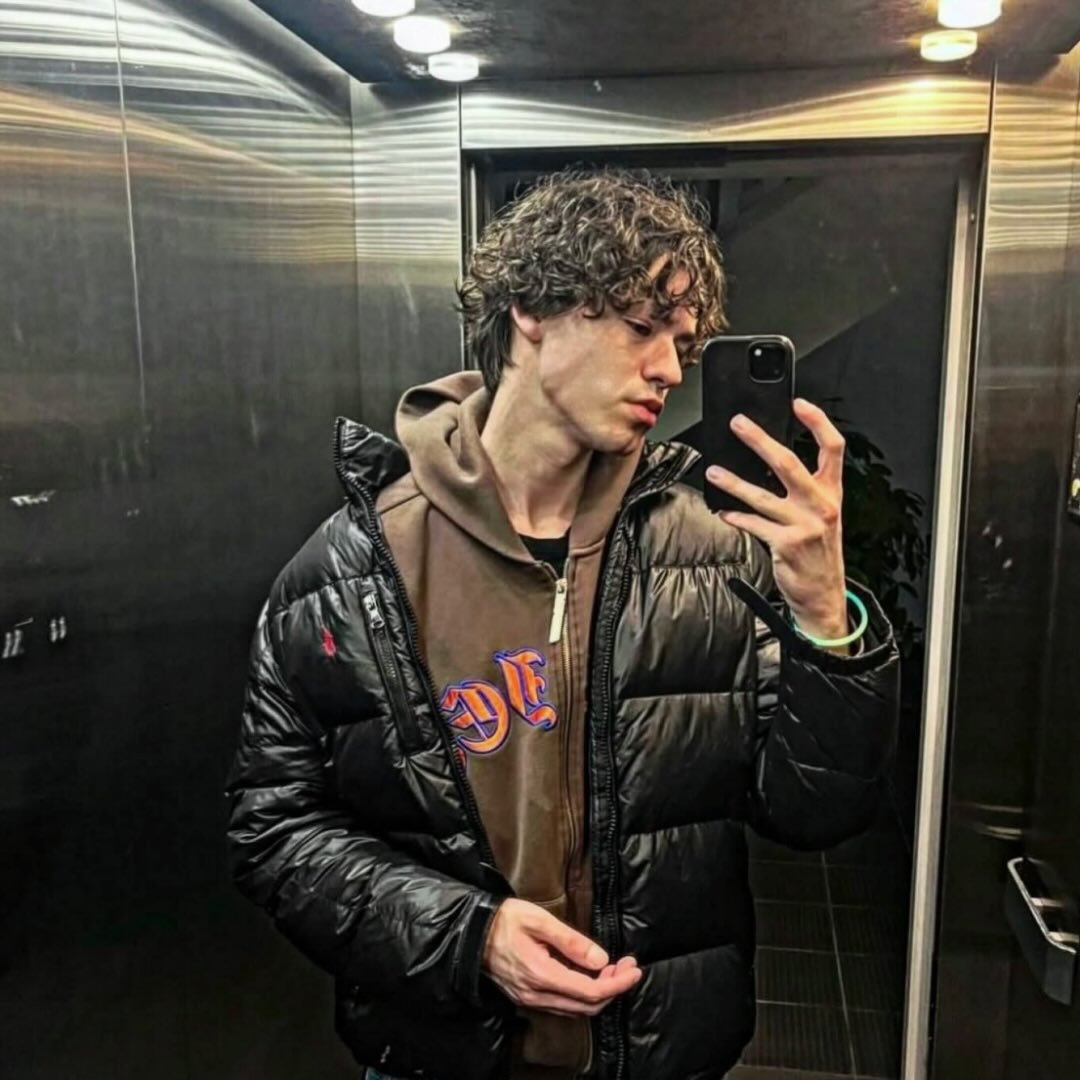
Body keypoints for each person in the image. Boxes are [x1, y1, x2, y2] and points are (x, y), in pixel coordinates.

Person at [226, 167, 899, 1080]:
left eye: (683, 343)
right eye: (642, 326)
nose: (670, 369)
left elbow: (817, 813)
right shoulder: (349, 573)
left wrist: (824, 617)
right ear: (532, 309)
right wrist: (469, 938)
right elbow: (275, 830)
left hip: (659, 1055)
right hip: (439, 1055)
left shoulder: (714, 553)